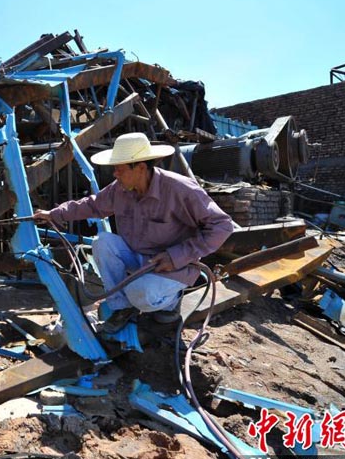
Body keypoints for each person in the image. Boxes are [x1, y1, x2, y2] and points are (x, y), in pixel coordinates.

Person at [33, 132, 233, 331]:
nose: (115, 174)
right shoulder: (120, 189)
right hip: (139, 259)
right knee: (102, 243)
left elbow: (222, 225)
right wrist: (54, 214)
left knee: (139, 294)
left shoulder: (178, 189)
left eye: (119, 170)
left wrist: (177, 256)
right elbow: (92, 205)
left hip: (173, 267)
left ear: (141, 168)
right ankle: (122, 307)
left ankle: (171, 302)